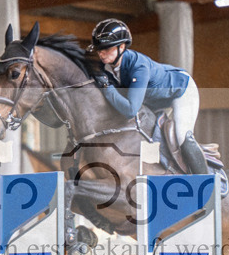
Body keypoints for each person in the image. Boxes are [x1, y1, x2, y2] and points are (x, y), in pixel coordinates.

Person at [88, 19, 207, 175]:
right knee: (149, 135)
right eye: (98, 49)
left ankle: (206, 184)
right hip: (153, 100)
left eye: (106, 48)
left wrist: (106, 88)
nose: (101, 53)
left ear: (121, 47)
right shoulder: (106, 67)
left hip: (180, 91)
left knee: (182, 136)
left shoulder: (139, 67)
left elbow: (130, 109)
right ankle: (153, 177)